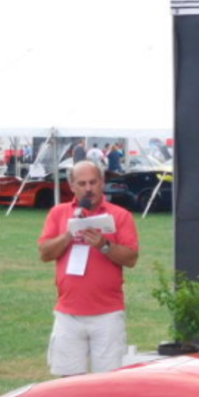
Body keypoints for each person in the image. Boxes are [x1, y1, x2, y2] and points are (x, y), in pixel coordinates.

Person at [37, 161, 139, 376]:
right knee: (68, 383)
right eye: (82, 183)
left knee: (109, 383)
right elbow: (45, 254)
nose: (88, 189)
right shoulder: (59, 213)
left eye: (93, 182)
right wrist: (67, 235)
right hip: (68, 313)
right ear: (72, 186)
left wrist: (104, 245)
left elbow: (131, 258)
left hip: (107, 314)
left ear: (102, 183)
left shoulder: (120, 216)